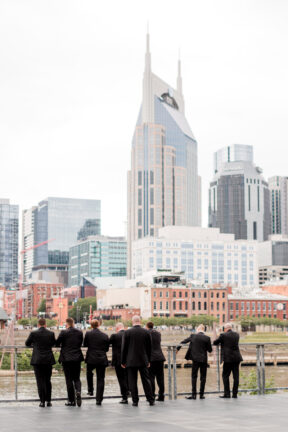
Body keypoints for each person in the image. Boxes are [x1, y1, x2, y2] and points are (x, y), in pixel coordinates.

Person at [121, 315, 154, 407]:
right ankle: (151, 399)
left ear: (132, 322)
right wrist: (148, 360)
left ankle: (135, 401)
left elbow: (124, 348)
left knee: (132, 381)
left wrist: (123, 361)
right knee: (146, 380)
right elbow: (149, 348)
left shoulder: (127, 332)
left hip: (130, 361)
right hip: (143, 360)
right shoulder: (146, 332)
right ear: (140, 321)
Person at [25, 318, 56, 407]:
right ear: (45, 324)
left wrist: (34, 345)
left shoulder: (34, 333)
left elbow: (27, 343)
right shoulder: (51, 333)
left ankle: (42, 401)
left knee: (40, 381)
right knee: (48, 380)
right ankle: (49, 401)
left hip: (37, 360)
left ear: (38, 324)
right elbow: (53, 344)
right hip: (48, 360)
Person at [177, 324, 212, 400]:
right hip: (203, 359)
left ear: (199, 329)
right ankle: (201, 395)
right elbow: (210, 350)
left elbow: (184, 342)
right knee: (203, 377)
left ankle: (194, 395)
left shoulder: (193, 336)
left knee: (194, 376)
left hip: (195, 359)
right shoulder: (207, 338)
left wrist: (177, 348)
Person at [56, 317, 84, 407]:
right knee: (77, 378)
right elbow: (80, 343)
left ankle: (71, 401)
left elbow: (57, 343)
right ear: (73, 323)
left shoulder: (64, 332)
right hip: (77, 358)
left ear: (66, 324)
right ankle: (78, 391)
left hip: (66, 358)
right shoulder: (79, 332)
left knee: (69, 379)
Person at [213, 322, 243, 399]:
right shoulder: (237, 334)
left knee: (225, 376)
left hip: (227, 359)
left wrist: (220, 335)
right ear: (231, 328)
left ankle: (227, 394)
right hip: (236, 358)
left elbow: (215, 343)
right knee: (236, 377)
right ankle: (235, 394)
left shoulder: (223, 335)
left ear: (225, 328)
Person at [83, 319, 109, 406]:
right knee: (101, 379)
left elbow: (85, 344)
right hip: (101, 358)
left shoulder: (88, 334)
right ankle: (99, 399)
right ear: (99, 325)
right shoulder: (105, 335)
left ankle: (90, 390)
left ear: (91, 325)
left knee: (89, 372)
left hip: (91, 358)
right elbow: (107, 349)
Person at [109, 322, 129, 404]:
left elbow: (107, 343)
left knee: (121, 379)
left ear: (117, 328)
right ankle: (130, 392)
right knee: (128, 378)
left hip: (118, 361)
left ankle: (124, 397)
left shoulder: (114, 336)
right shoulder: (128, 334)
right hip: (129, 360)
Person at [146, 321, 165, 401]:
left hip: (151, 358)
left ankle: (152, 395)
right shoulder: (158, 333)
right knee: (160, 378)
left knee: (151, 377)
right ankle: (161, 395)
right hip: (160, 357)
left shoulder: (146, 333)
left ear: (147, 326)